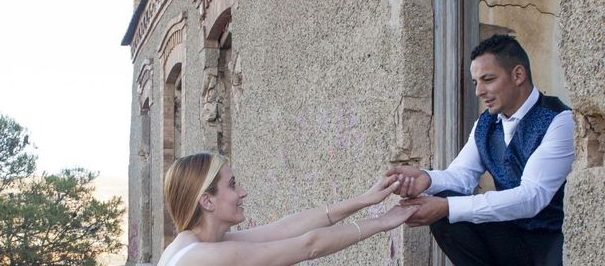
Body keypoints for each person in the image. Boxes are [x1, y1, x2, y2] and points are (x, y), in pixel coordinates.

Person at [387, 34, 574, 266]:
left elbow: (533, 196)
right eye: (476, 82)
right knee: (444, 209)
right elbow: (462, 176)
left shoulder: (559, 120)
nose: (479, 92)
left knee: (447, 208)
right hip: (510, 239)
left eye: (488, 79)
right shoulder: (486, 123)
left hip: (551, 245)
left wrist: (448, 207)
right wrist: (426, 179)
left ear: (518, 75)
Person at [158, 152, 418, 266]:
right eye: (232, 185)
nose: (242, 192)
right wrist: (382, 222)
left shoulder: (191, 244)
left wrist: (363, 200)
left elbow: (285, 228)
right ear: (207, 201)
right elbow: (309, 246)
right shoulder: (205, 257)